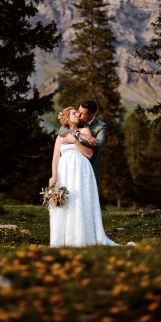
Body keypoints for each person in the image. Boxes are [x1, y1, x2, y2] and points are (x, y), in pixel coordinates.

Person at [49, 106, 117, 247]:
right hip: (65, 170)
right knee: (65, 201)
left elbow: (89, 153)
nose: (77, 115)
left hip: (81, 169)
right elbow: (56, 156)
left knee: (79, 200)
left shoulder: (85, 131)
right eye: (74, 113)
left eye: (77, 113)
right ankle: (62, 240)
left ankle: (82, 237)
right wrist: (54, 175)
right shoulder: (60, 135)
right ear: (67, 117)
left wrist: (75, 141)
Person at [59, 99, 106, 186]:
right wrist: (79, 134)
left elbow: (98, 143)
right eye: (78, 111)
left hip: (90, 165)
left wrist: (79, 140)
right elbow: (61, 130)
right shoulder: (77, 120)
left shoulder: (101, 126)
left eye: (82, 114)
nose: (78, 115)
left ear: (91, 115)